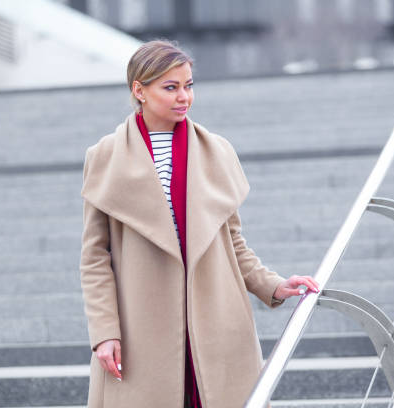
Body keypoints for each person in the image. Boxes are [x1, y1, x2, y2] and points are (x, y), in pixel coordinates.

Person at [79, 39, 320, 408]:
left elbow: (233, 242)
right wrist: (105, 331)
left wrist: (273, 285)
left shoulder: (216, 151)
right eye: (171, 87)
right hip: (140, 328)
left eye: (188, 85)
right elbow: (95, 258)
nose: (184, 97)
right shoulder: (105, 157)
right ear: (139, 91)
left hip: (216, 324)